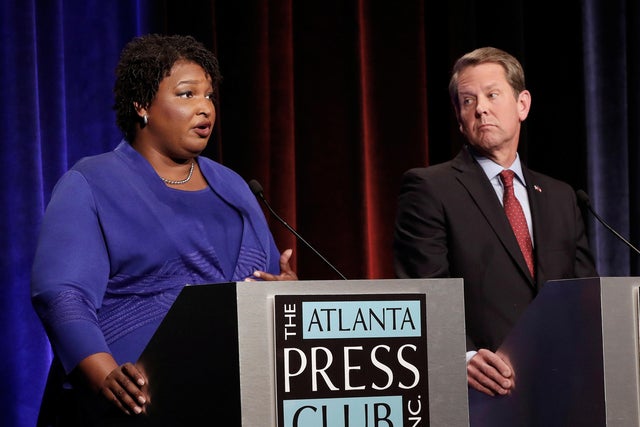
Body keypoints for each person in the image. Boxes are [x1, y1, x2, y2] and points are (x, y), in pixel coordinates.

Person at [31, 34, 297, 425]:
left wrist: (290, 293)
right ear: (142, 105)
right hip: (134, 408)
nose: (205, 108)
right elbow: (61, 294)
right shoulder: (93, 182)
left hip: (235, 400)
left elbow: (266, 281)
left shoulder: (234, 187)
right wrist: (105, 374)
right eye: (187, 95)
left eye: (209, 97)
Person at [393, 47, 597, 397]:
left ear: (522, 105)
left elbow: (583, 293)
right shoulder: (430, 188)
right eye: (467, 101)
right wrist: (462, 356)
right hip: (483, 391)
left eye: (492, 95)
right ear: (459, 116)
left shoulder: (562, 196)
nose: (481, 108)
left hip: (565, 385)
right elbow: (423, 290)